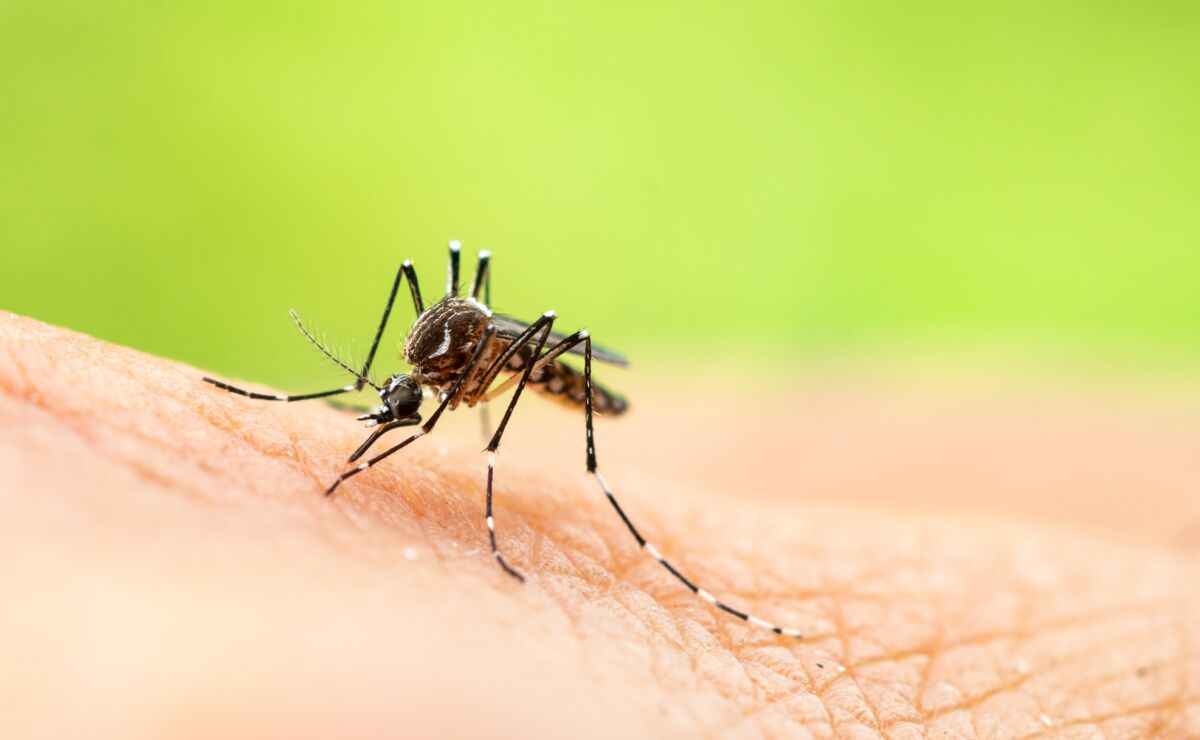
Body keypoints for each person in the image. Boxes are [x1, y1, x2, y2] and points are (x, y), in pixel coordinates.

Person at [1, 312, 1197, 738]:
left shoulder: (481, 368)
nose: (398, 407)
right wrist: (352, 398)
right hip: (488, 356)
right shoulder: (426, 371)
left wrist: (490, 495)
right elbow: (420, 382)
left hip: (548, 365)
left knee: (517, 356)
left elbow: (498, 366)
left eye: (398, 393)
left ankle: (607, 518)